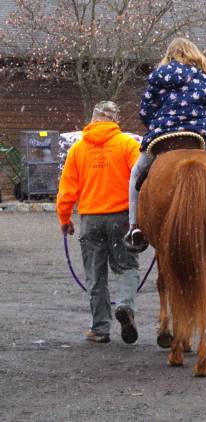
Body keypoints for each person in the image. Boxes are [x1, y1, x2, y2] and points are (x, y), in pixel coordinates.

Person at [123, 37, 206, 252]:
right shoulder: (204, 78)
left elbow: (145, 111)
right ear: (194, 54)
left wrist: (159, 123)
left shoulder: (157, 77)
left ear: (169, 55)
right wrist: (199, 121)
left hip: (163, 136)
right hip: (198, 134)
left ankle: (134, 228)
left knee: (135, 174)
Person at [56, 101, 141, 344]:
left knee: (96, 274)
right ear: (115, 120)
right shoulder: (127, 145)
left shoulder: (78, 149)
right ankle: (125, 305)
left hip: (90, 219)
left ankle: (100, 328)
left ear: (93, 119)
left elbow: (67, 189)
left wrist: (64, 218)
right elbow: (141, 180)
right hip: (122, 218)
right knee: (126, 267)